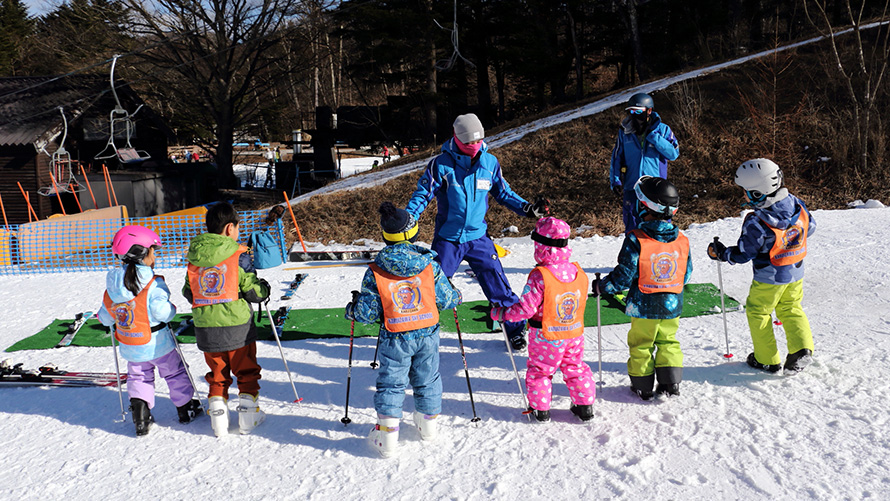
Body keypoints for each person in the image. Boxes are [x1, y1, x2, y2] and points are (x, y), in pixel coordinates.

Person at [405, 113, 549, 351]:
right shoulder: (441, 165)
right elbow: (423, 193)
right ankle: (417, 332)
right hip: (448, 239)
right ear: (457, 138)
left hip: (478, 237)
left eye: (478, 141)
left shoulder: (489, 163)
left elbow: (504, 193)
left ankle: (514, 329)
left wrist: (528, 209)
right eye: (468, 143)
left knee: (497, 284)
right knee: (432, 286)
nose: (474, 147)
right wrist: (409, 217)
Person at [345, 202, 462, 458]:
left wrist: (352, 309)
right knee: (428, 377)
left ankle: (387, 435)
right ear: (413, 232)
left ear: (387, 237)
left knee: (392, 382)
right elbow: (446, 299)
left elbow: (368, 312)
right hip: (427, 332)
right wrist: (456, 294)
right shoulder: (430, 265)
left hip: (395, 335)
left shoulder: (376, 270)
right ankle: (428, 424)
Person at [708, 158, 815, 374]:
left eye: (746, 191)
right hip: (796, 271)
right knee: (791, 308)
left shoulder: (757, 221)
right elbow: (810, 226)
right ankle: (801, 349)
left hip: (769, 278)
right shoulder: (796, 203)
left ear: (757, 193)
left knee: (759, 312)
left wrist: (722, 253)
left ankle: (767, 359)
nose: (744, 195)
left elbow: (744, 253)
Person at [592, 176, 692, 400]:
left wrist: (602, 286)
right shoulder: (682, 239)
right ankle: (670, 384)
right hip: (672, 302)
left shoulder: (637, 238)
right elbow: (686, 273)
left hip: (644, 305)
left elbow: (623, 277)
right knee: (668, 340)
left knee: (641, 343)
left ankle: (643, 385)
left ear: (643, 206)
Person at [98, 225, 202, 436]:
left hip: (131, 345)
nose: (155, 256)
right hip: (158, 343)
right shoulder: (153, 283)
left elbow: (105, 316)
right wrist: (171, 310)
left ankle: (141, 416)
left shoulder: (113, 286)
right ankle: (185, 408)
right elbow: (162, 311)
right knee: (174, 372)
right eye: (153, 251)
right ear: (140, 253)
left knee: (139, 377)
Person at [489, 217, 596, 422]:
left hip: (546, 335)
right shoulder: (576, 271)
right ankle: (585, 405)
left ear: (542, 245)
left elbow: (526, 309)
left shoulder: (541, 275)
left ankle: (541, 410)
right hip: (573, 333)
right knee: (575, 368)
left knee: (540, 371)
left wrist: (502, 314)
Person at [182, 202, 271, 437]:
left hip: (206, 327)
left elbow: (189, 291)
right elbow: (253, 292)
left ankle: (218, 421)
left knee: (217, 372)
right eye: (238, 228)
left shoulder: (195, 254)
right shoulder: (237, 254)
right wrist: (264, 289)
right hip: (237, 326)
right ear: (229, 228)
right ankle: (248, 417)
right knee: (246, 369)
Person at [609, 92, 680, 233]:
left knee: (659, 229)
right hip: (632, 187)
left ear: (649, 110)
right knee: (632, 228)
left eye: (637, 111)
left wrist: (653, 137)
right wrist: (615, 181)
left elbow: (673, 154)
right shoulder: (625, 131)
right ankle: (634, 253)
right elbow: (617, 157)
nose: (634, 115)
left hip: (656, 189)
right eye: (630, 111)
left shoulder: (663, 130)